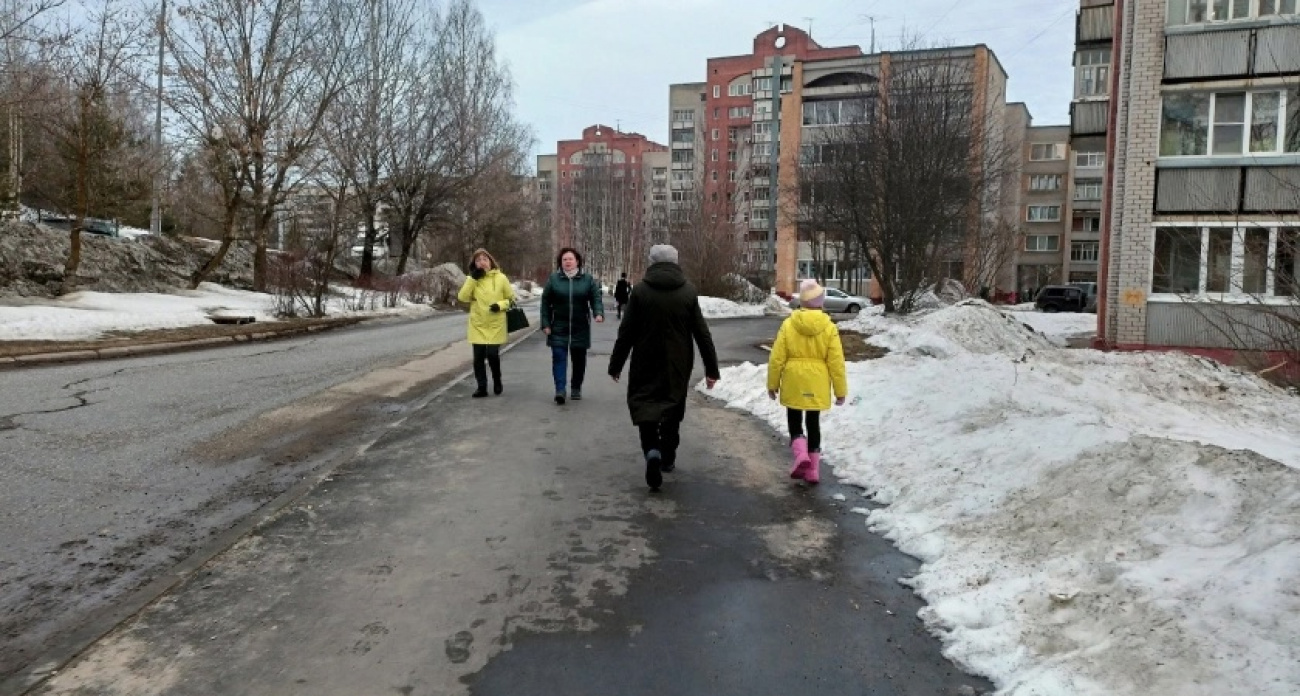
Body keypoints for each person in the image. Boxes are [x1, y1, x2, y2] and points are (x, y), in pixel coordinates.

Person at [609, 244, 720, 491]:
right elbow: (702, 333)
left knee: (645, 406)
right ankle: (667, 457)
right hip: (677, 363)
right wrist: (712, 369)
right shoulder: (688, 292)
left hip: (644, 361)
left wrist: (616, 364)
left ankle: (652, 451)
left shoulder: (639, 291)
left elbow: (626, 332)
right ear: (676, 262)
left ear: (651, 262)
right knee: (672, 407)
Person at [767, 279, 848, 484]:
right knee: (813, 423)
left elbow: (777, 358)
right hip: (817, 381)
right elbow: (836, 362)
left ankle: (800, 454)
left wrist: (772, 383)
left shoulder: (788, 325)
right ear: (820, 302)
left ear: (802, 303)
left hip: (794, 379)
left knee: (794, 419)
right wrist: (840, 390)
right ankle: (813, 470)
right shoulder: (829, 327)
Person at [540, 247, 605, 404]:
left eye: (570, 259)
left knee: (579, 359)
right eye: (564, 259)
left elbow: (595, 298)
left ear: (577, 261)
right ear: (560, 262)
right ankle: (560, 390)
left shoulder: (587, 279)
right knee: (559, 357)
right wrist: (546, 323)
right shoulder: (554, 279)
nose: (567, 262)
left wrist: (598, 313)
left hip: (580, 326)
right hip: (558, 326)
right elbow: (545, 302)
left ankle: (576, 387)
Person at [457, 248, 515, 398]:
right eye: (478, 260)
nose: (481, 262)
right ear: (474, 264)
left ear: (490, 261)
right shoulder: (473, 279)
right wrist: (472, 279)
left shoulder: (501, 278)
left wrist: (500, 305)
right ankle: (481, 387)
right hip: (478, 324)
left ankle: (497, 380)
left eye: (484, 259)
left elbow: (511, 299)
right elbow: (462, 297)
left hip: (496, 323)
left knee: (492, 355)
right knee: (478, 358)